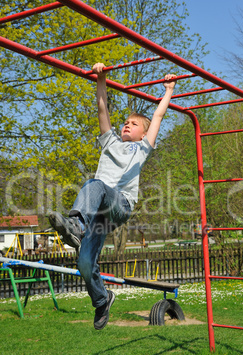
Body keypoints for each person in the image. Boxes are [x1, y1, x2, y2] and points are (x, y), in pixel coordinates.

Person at [49, 63, 176, 330]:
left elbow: (159, 117)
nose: (127, 126)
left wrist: (169, 91)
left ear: (143, 132)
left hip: (119, 205)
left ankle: (75, 226)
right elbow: (101, 107)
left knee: (95, 184)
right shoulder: (110, 142)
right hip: (98, 214)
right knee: (84, 262)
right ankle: (101, 300)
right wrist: (101, 78)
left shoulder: (142, 149)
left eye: (133, 124)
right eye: (126, 123)